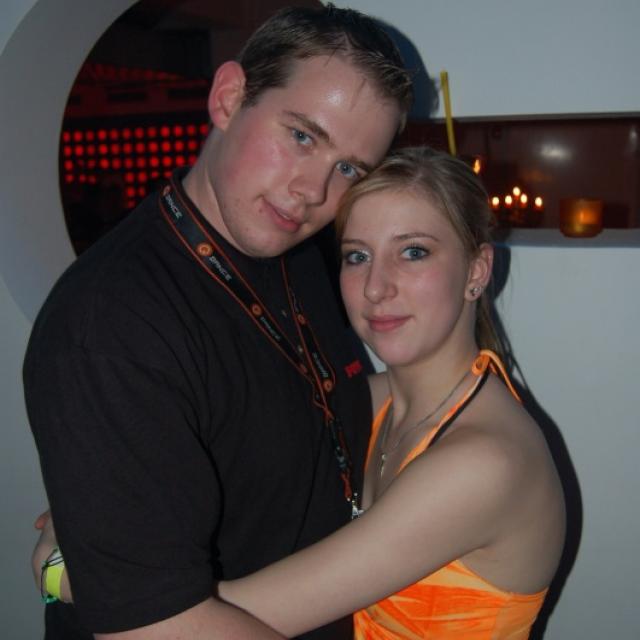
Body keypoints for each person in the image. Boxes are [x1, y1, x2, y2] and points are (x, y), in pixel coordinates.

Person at [34, 147, 566, 639]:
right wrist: (112, 501)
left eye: (413, 252)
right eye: (357, 256)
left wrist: (74, 571)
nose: (377, 286)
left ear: (477, 270)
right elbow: (228, 449)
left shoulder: (481, 465)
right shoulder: (378, 402)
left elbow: (211, 619)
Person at [24, 4, 412, 639]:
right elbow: (155, 629)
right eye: (302, 136)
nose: (315, 191)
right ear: (229, 98)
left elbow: (307, 400)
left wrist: (463, 394)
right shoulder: (111, 327)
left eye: (348, 169)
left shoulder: (295, 255)